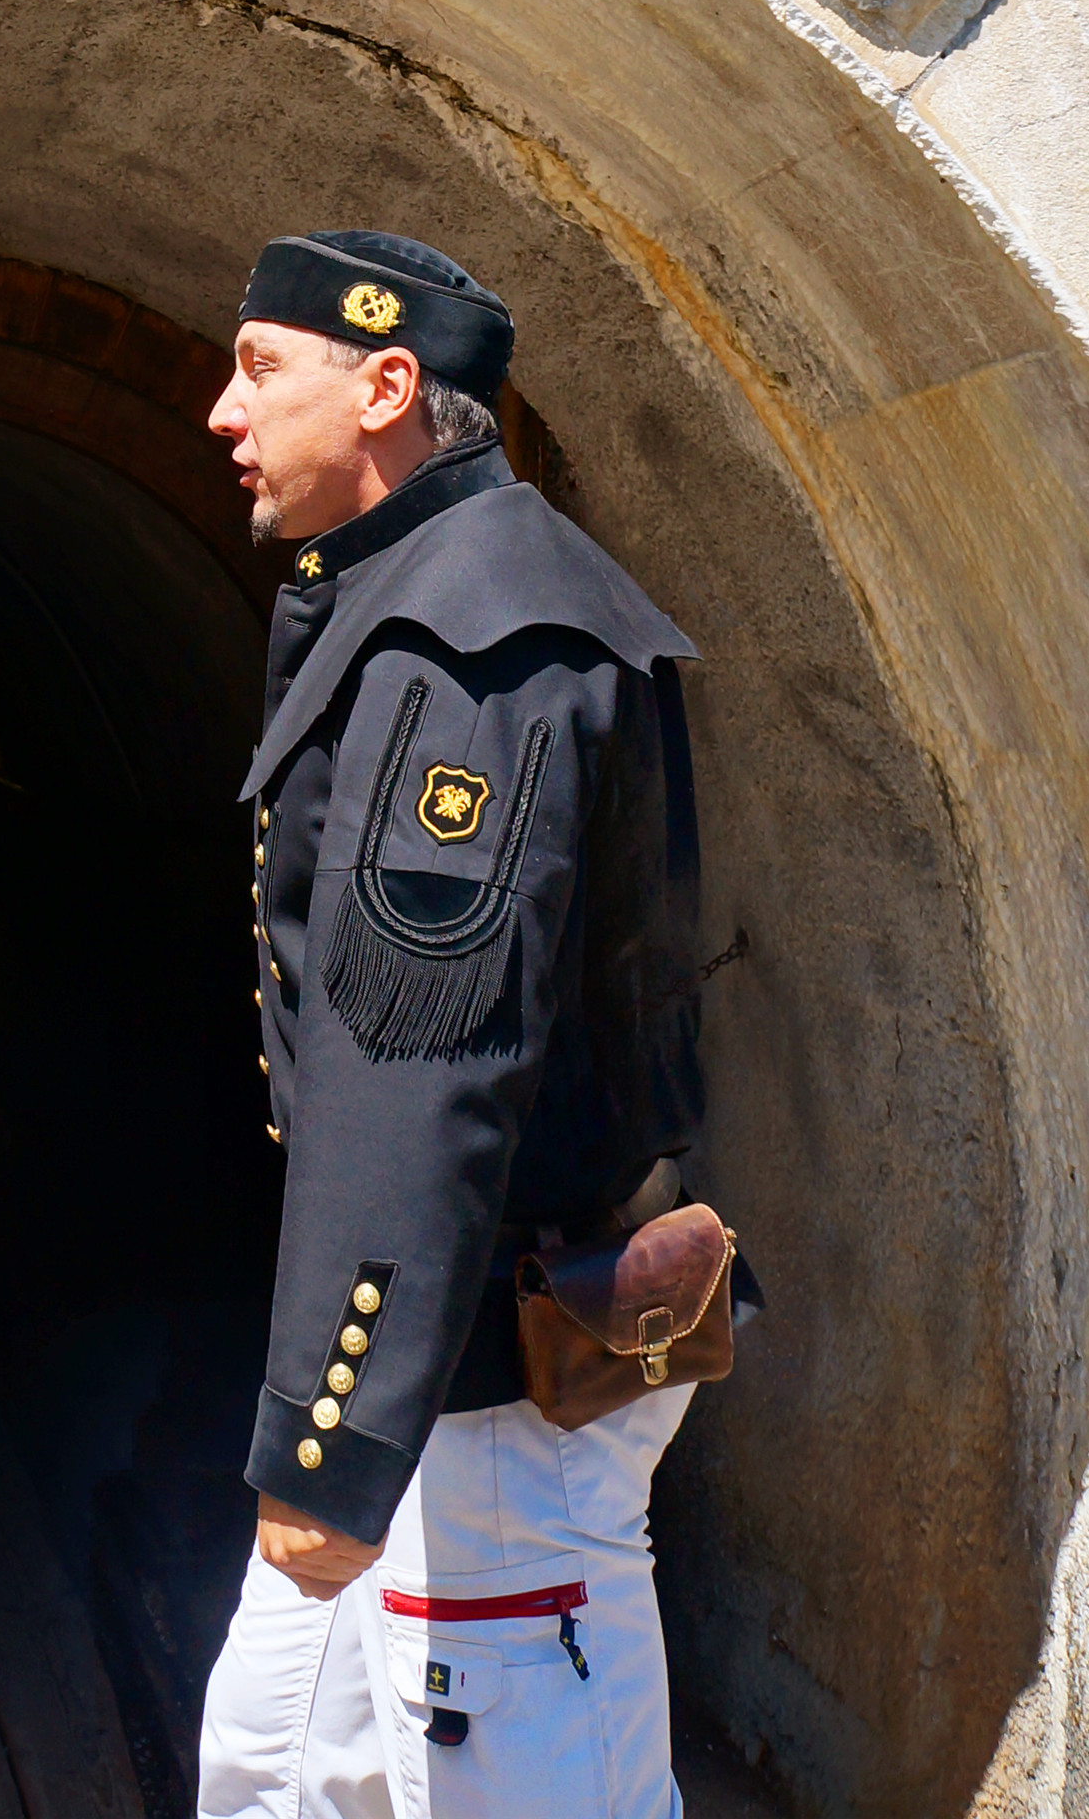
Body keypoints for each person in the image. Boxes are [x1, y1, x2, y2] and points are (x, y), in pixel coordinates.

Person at [196, 230, 721, 1819]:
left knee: (511, 1786)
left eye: (258, 366)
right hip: (447, 1358)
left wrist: (332, 1441)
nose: (223, 411)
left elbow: (420, 1068)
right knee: (276, 1772)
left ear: (388, 387)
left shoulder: (477, 644)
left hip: (487, 1389)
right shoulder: (419, 600)